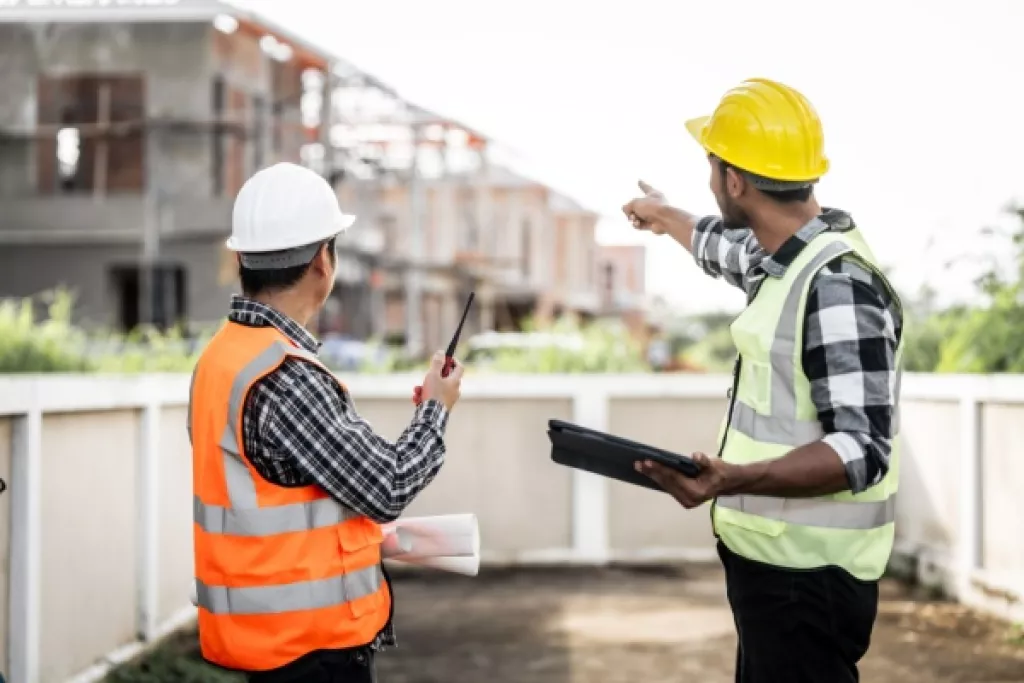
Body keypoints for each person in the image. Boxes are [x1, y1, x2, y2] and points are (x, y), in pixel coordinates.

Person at [623, 78, 903, 682]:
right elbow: (724, 246)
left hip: (811, 579)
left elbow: (861, 451)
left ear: (734, 181)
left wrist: (734, 479)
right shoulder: (785, 258)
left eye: (712, 164)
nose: (710, 178)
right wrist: (664, 213)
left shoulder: (836, 285)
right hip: (775, 566)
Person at [188, 162, 463, 683]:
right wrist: (437, 407)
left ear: (242, 256)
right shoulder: (285, 377)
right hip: (311, 653)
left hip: (266, 644)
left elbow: (281, 500)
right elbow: (388, 485)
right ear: (322, 260)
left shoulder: (221, 359)